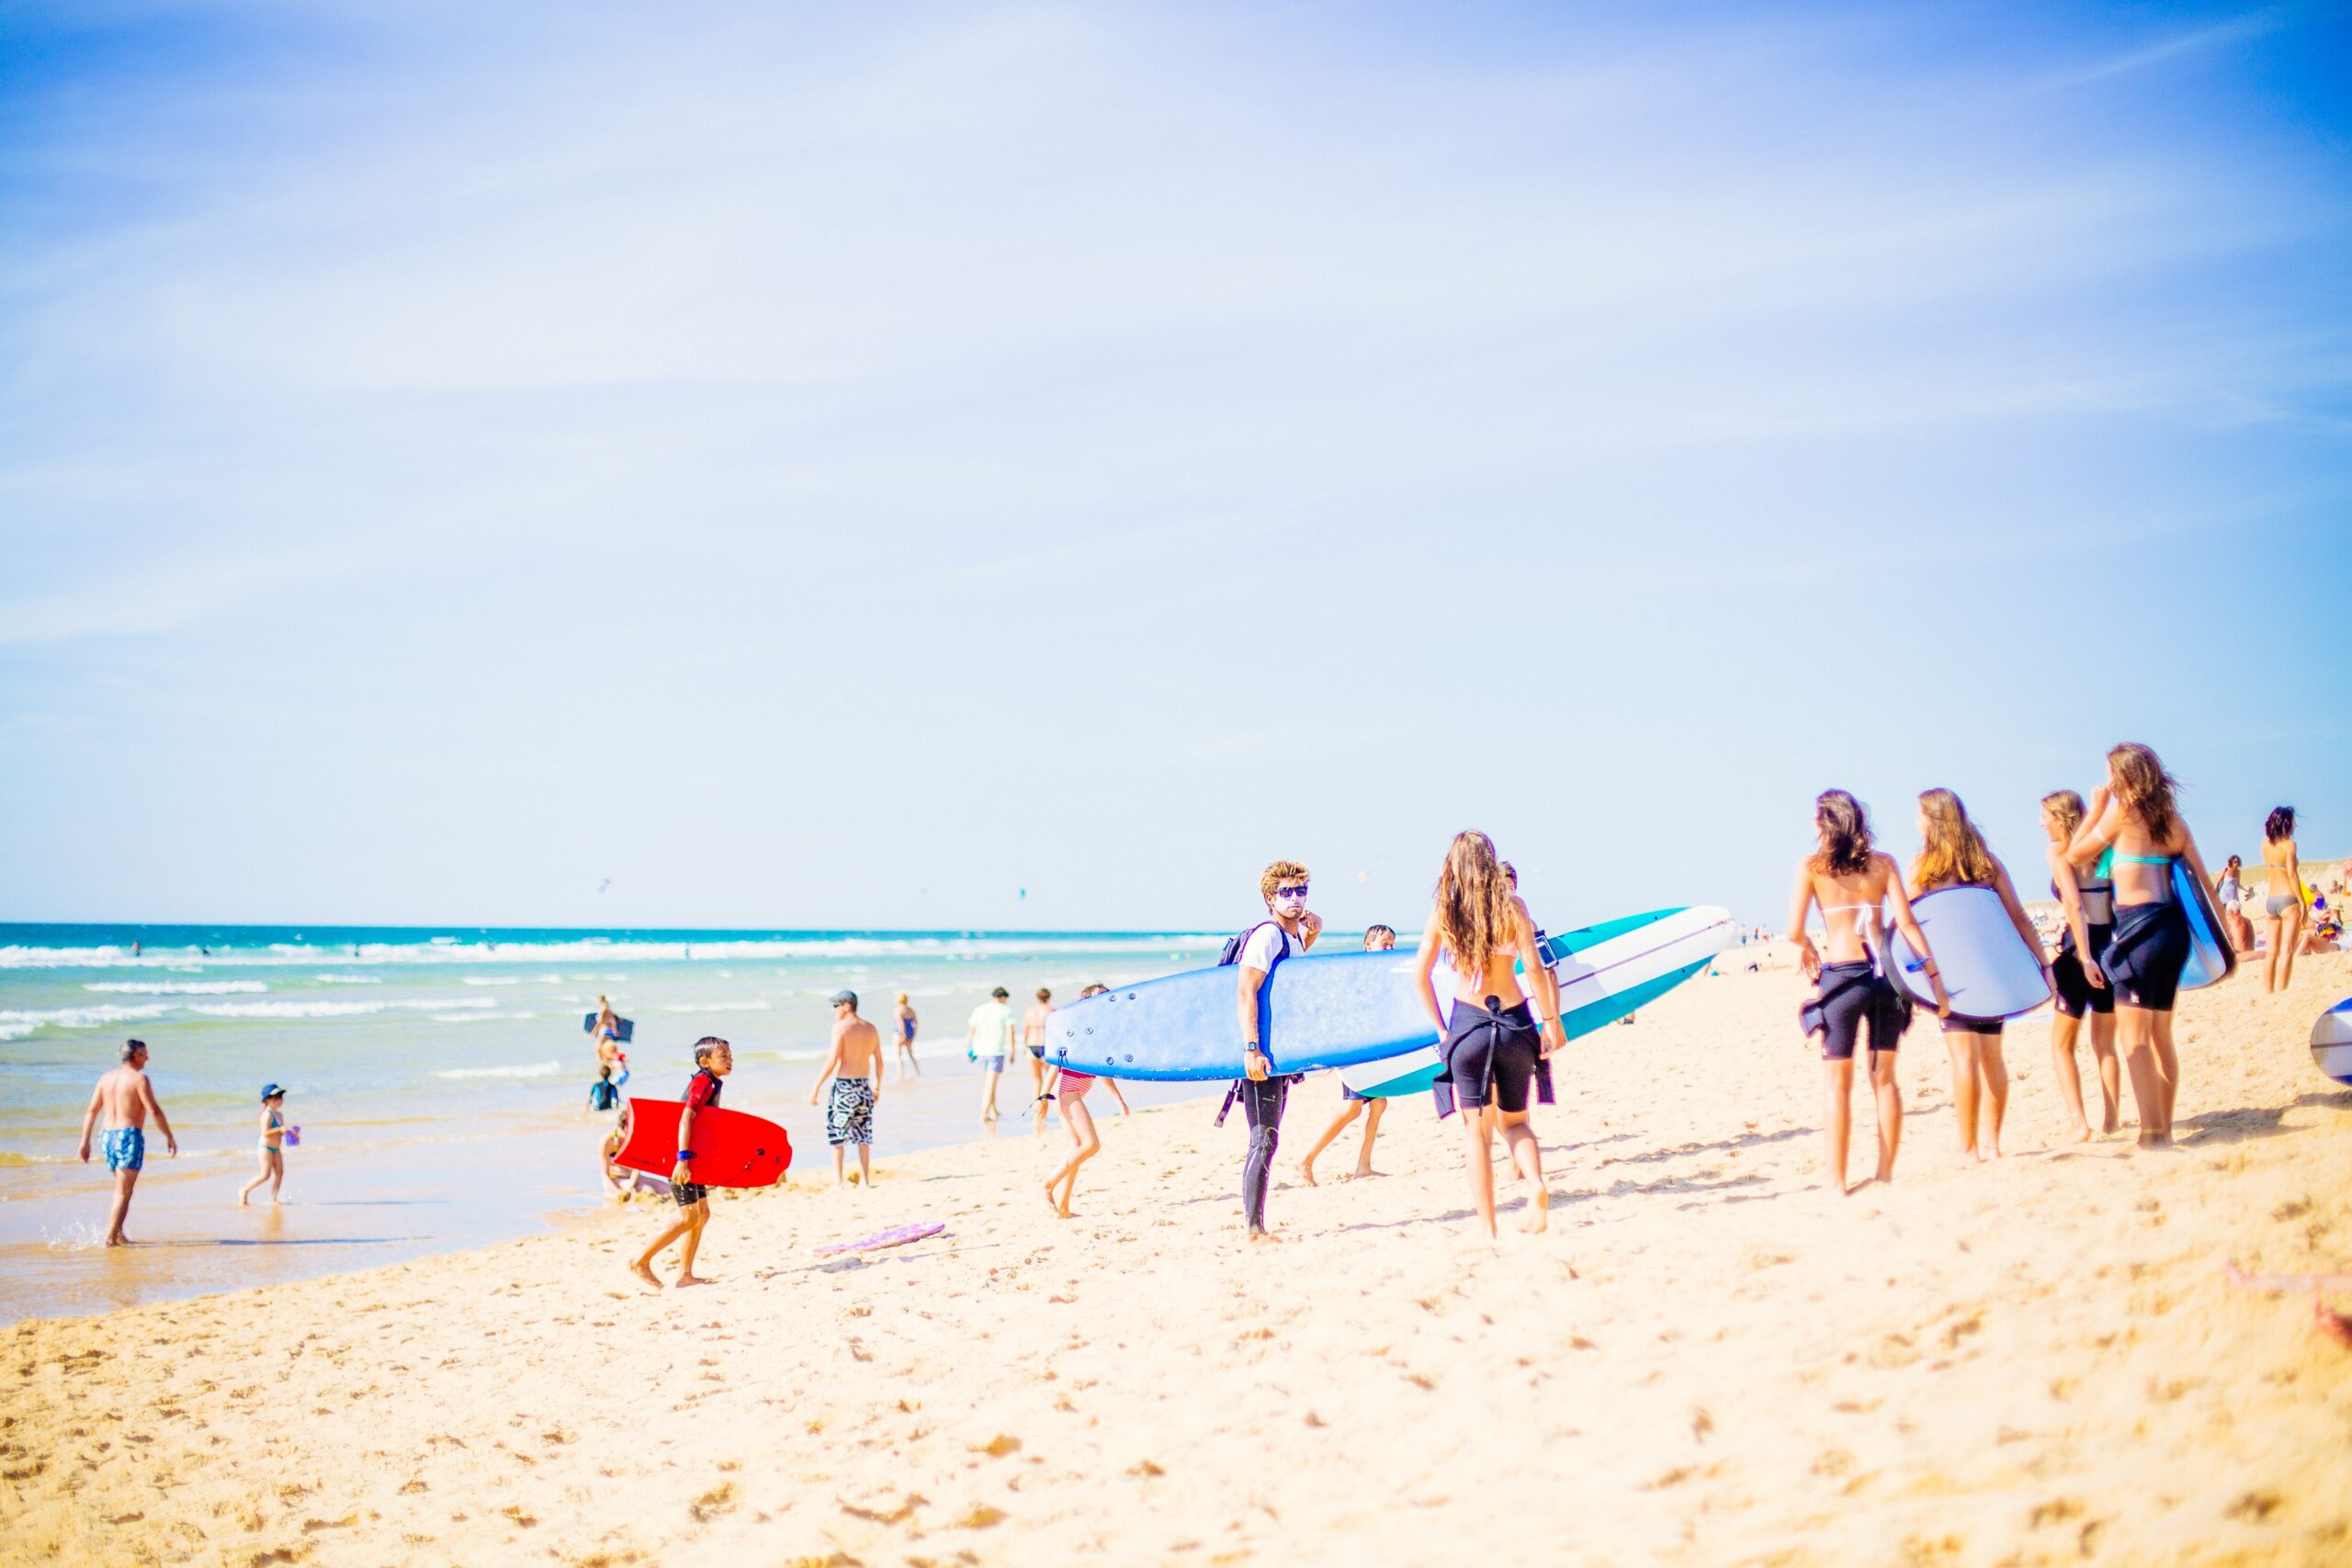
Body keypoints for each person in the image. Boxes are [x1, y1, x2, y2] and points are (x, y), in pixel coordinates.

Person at [1787, 791, 1948, 1196]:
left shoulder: (1811, 868)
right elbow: (1907, 924)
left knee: (1837, 1085)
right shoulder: (1884, 864)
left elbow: (1792, 931)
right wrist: (1934, 978)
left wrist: (1807, 946)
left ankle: (1838, 1182)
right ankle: (1884, 1174)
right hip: (1886, 980)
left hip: (1842, 979)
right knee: (1885, 1080)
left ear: (1823, 824)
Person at [2066, 742, 2218, 1150]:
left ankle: (2153, 1137)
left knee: (2135, 1040)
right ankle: (2162, 1129)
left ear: (2123, 777)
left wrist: (2096, 808)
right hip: (2172, 933)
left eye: (2110, 775)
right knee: (2161, 1036)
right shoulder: (2173, 821)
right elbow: (2203, 883)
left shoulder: (2121, 813)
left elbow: (2075, 855)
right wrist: (2226, 942)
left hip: (2137, 932)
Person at [1410, 833, 1563, 1238]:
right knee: (1515, 1123)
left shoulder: (1444, 912)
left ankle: (1489, 1230)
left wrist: (1442, 1029)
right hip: (1514, 1023)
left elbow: (1420, 976)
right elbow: (1534, 968)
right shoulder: (1513, 906)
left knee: (1476, 1133)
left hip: (1469, 1025)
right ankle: (1536, 1185)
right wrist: (1550, 1021)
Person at [1909, 790, 2042, 1162]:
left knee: (1964, 1060)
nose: (1916, 822)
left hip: (1952, 978)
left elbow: (1909, 926)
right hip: (1990, 973)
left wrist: (1918, 982)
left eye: (1919, 816)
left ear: (1932, 820)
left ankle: (1969, 1148)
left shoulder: (1923, 868)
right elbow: (2019, 917)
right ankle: (1992, 1144)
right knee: (1992, 1058)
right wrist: (2044, 965)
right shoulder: (1986, 863)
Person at [1234, 859, 1323, 1241]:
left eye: (1301, 891)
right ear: (1270, 898)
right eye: (1285, 892)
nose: (1295, 898)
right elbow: (1246, 990)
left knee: (1269, 1138)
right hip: (1261, 1053)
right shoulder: (1267, 936)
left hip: (1277, 1055)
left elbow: (1286, 976)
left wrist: (1313, 933)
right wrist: (1252, 1048)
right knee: (1263, 1139)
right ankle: (1253, 1228)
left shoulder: (1290, 939)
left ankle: (1255, 1223)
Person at [2041, 790, 2120, 1141]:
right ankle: (2112, 1121)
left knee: (2061, 1046)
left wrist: (2084, 957)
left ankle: (2079, 1123)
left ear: (2061, 819)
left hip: (2080, 952)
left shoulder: (2059, 853)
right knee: (2105, 1045)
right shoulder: (2105, 851)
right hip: (2110, 946)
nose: (2041, 823)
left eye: (2045, 817)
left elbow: (2074, 905)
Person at [1297, 925, 1401, 1187]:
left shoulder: (1385, 974)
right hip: (1357, 1051)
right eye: (1384, 943)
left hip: (1374, 1051)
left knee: (1378, 1104)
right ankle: (1306, 1160)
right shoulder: (1359, 973)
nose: (1390, 948)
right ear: (1368, 945)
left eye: (1393, 943)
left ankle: (1363, 1166)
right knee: (1351, 1108)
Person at [628, 1037, 730, 1289]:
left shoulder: (712, 1082)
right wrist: (682, 1159)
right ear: (704, 1061)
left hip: (692, 1158)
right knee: (688, 1217)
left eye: (730, 1056)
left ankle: (685, 1275)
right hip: (680, 1158)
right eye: (724, 1056)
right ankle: (640, 1261)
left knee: (702, 1214)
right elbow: (685, 1118)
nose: (730, 1060)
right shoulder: (702, 1082)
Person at [76, 1039, 178, 1247]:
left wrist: (85, 1141)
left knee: (123, 1188)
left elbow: (92, 1111)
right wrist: (169, 1136)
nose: (147, 1058)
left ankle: (119, 1233)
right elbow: (154, 1110)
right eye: (144, 1054)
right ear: (135, 1056)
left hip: (107, 1136)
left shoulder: (106, 1078)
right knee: (123, 1192)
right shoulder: (139, 1079)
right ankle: (110, 1239)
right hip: (128, 1136)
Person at [1039, 982, 1125, 1215]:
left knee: (1076, 1149)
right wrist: (1043, 1097)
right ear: (1087, 1001)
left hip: (1071, 1093)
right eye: (1100, 996)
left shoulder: (1098, 1032)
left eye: (1108, 995)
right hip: (1067, 1092)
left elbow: (1101, 1071)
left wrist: (1118, 1100)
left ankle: (1064, 1207)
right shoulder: (1080, 1029)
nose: (1106, 999)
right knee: (1091, 1145)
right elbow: (1055, 1063)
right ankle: (1048, 1184)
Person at [810, 991, 882, 1187]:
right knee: (863, 1135)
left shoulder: (840, 1028)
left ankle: (838, 1182)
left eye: (836, 1006)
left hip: (844, 1087)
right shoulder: (870, 1028)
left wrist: (816, 1087)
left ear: (847, 1006)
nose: (833, 1010)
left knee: (837, 1135)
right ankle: (865, 1181)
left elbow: (832, 1060)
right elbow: (879, 1060)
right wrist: (877, 1086)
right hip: (864, 1086)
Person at [2260, 807, 2304, 994]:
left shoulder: (2265, 843)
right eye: (2293, 821)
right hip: (2288, 899)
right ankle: (2282, 991)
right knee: (2287, 951)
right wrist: (2302, 902)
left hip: (2271, 901)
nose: (2295, 825)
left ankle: (2269, 992)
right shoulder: (2289, 845)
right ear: (2286, 823)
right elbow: (2292, 874)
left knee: (2271, 952)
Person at [967, 987, 1016, 1123]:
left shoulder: (979, 1009)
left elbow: (971, 1031)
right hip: (995, 1051)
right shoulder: (1006, 1010)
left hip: (980, 1051)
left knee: (990, 1082)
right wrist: (1012, 1051)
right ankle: (984, 1114)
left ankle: (994, 1110)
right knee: (990, 1084)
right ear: (1003, 998)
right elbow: (1011, 1033)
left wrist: (967, 1048)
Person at [237, 1084, 290, 1206]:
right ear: (267, 1100)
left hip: (276, 1148)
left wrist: (289, 1132)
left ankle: (274, 1198)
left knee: (280, 1172)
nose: (279, 1100)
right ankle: (244, 1190)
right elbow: (265, 1133)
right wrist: (279, 1129)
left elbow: (280, 1132)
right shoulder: (267, 1115)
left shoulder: (279, 1115)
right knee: (265, 1175)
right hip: (266, 1148)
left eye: (280, 1097)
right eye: (276, 1098)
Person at [1022, 987, 1057, 1134]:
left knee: (1037, 1081)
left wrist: (1025, 1046)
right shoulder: (1051, 1010)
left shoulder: (1029, 1011)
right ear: (1049, 997)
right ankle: (1044, 1111)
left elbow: (1026, 1030)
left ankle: (1037, 1113)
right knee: (1049, 1082)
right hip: (1045, 1046)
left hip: (1031, 1046)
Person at [2215, 854, 2253, 953]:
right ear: (2231, 862)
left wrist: (2246, 890)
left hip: (2234, 896)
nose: (2237, 863)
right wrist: (2214, 894)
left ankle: (2237, 940)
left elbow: (2238, 884)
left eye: (2238, 862)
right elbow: (2218, 882)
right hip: (2225, 896)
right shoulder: (2225, 870)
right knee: (2226, 919)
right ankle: (2227, 941)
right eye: (2235, 862)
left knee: (2236, 918)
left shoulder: (2238, 872)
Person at [892, 992, 921, 1080]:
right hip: (910, 1033)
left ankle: (901, 1073)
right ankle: (917, 1071)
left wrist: (903, 1035)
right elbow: (916, 1023)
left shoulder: (898, 1010)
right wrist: (913, 1035)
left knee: (898, 1055)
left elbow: (901, 1024)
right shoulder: (911, 1010)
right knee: (910, 1054)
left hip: (900, 1034)